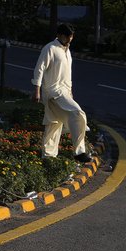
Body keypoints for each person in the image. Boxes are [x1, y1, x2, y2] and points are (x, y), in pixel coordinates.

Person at [32, 23, 91, 163]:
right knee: (78, 113)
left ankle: (48, 156)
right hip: (53, 92)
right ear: (59, 35)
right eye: (67, 37)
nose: (70, 40)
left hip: (64, 92)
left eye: (71, 37)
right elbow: (39, 69)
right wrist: (37, 90)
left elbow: (67, 75)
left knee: (54, 122)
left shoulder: (67, 51)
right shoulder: (49, 48)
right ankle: (79, 152)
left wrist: (70, 92)